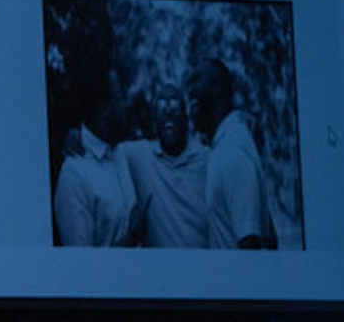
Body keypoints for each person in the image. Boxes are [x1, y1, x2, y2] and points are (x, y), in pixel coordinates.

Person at [185, 57, 274, 250]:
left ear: (219, 89)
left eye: (197, 80)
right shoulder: (223, 145)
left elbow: (251, 244)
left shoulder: (232, 150)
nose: (189, 87)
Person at [117, 85, 209, 248]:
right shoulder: (137, 155)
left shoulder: (207, 158)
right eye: (161, 107)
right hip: (159, 269)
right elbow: (102, 144)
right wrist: (78, 135)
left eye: (175, 107)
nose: (168, 112)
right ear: (154, 121)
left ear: (186, 117)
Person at [53, 100, 150, 246]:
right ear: (104, 109)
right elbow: (81, 264)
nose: (126, 105)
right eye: (119, 100)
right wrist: (130, 238)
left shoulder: (122, 152)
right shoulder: (73, 174)